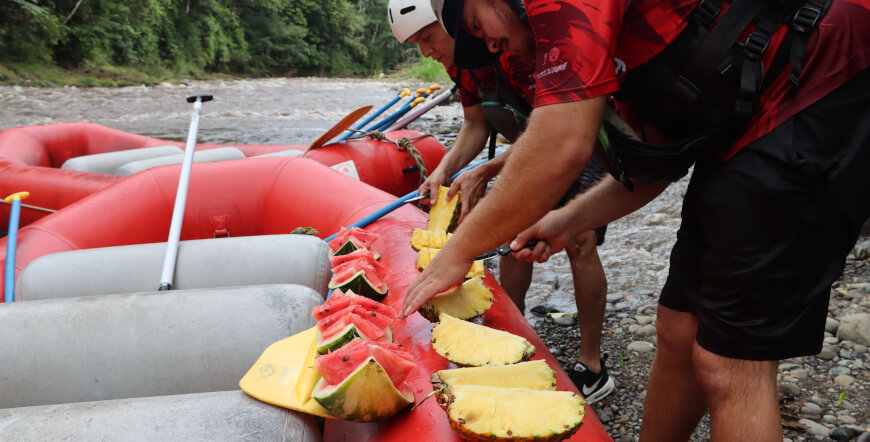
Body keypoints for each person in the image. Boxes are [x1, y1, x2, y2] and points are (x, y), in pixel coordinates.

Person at [400, 0, 870, 439]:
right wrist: (564, 222)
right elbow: (651, 167)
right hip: (744, 121)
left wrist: (458, 252)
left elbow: (563, 142)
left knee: (731, 362)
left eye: (479, 27)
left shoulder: (565, 10)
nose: (489, 47)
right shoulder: (604, 48)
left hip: (820, 79)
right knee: (678, 325)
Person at [388, 0, 616, 403]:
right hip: (531, 147)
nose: (426, 51)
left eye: (427, 37)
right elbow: (476, 125)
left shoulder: (513, 43)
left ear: (453, 24)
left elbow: (556, 126)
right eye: (415, 46)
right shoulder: (458, 63)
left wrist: (487, 169)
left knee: (579, 242)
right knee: (512, 236)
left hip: (581, 136)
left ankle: (592, 366)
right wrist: (446, 169)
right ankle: (514, 335)